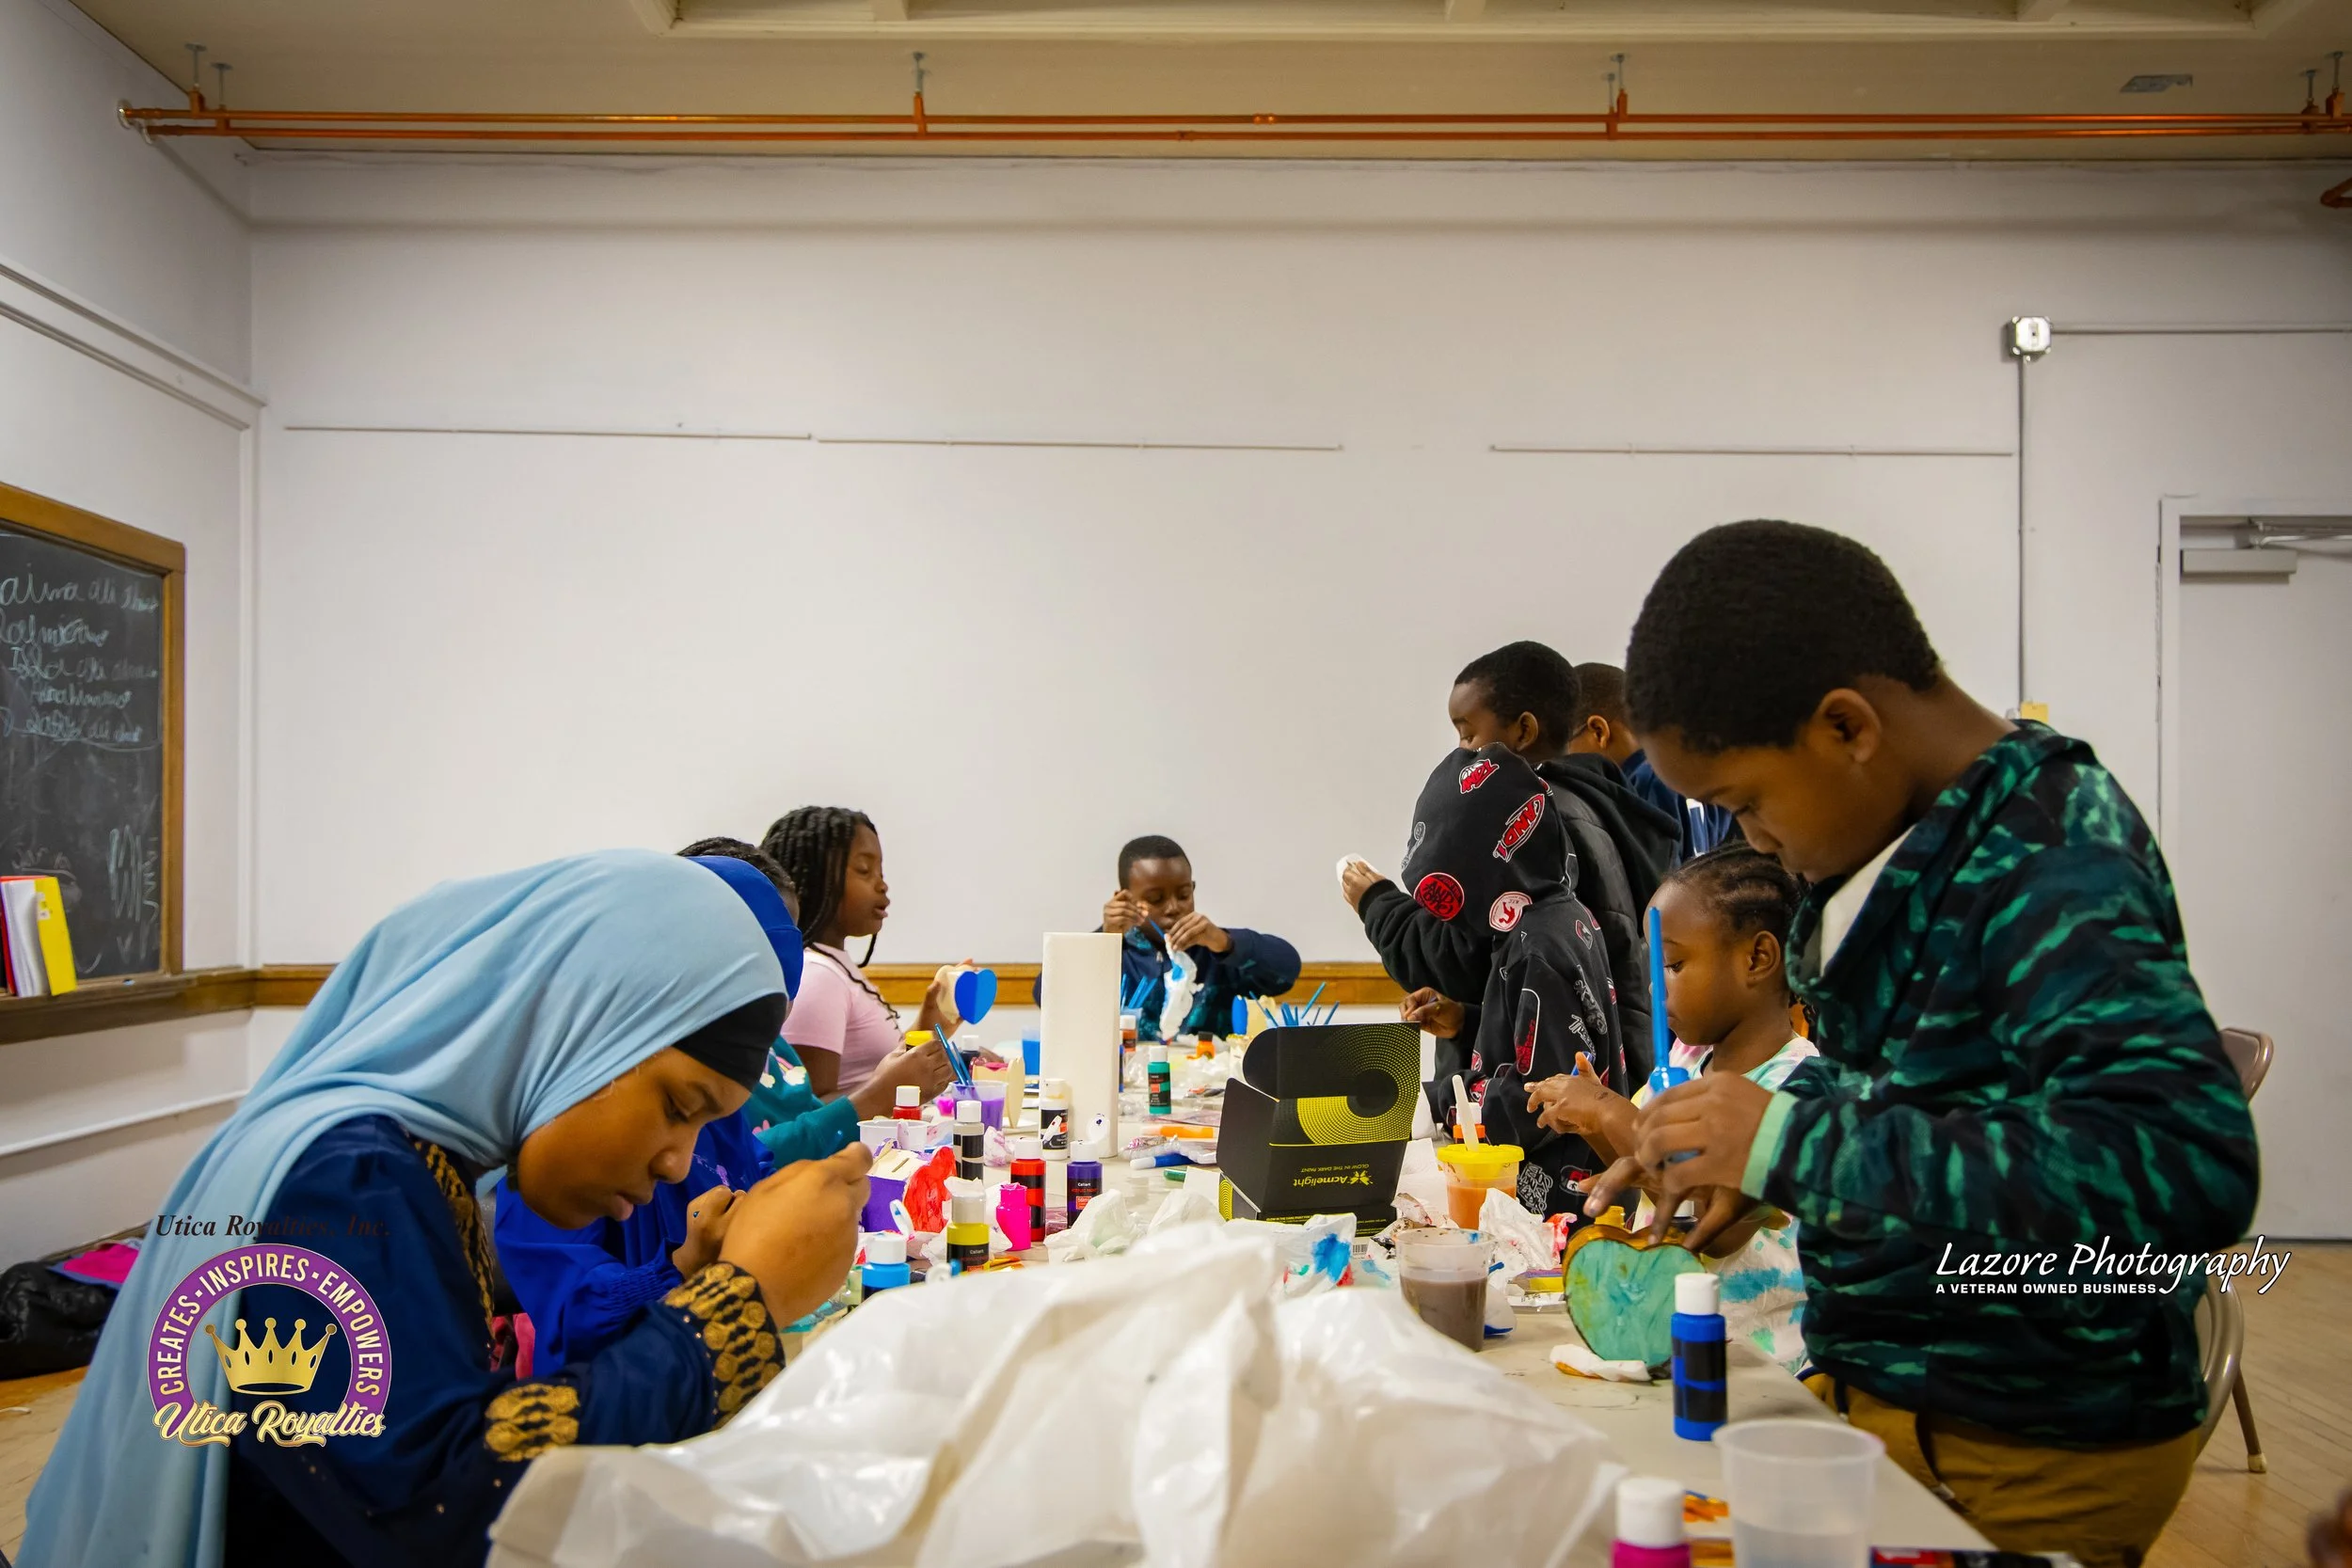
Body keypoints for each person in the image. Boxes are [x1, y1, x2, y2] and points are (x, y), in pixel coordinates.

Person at [1586, 519, 2259, 1568]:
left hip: (2020, 1435)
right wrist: (1767, 1167)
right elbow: (1942, 1106)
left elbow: (2181, 1168)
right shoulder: (1920, 839)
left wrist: (1796, 1146)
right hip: (1898, 1396)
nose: (1751, 840)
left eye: (1747, 803)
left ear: (1847, 726)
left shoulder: (2050, 851)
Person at [23, 850, 872, 1568]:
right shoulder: (348, 1179)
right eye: (680, 1106)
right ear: (584, 1028)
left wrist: (685, 1272)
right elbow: (445, 1503)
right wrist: (732, 1309)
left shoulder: (403, 1158)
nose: (677, 1162)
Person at [493, 844, 950, 1372]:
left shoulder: (712, 1110)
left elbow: (748, 1168)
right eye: (677, 1104)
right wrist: (684, 1268)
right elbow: (573, 1319)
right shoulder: (553, 1153)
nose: (680, 1161)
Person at [1524, 845, 1815, 1373]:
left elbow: (1718, 1225)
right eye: (1654, 970)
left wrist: (1610, 1110)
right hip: (1673, 1349)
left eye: (1676, 965)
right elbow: (1647, 1171)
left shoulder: (1798, 1085)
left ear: (1757, 958)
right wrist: (1592, 1124)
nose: (1657, 989)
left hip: (1761, 1366)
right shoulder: (1687, 1058)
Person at [1343, 641, 1677, 1062]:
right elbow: (1530, 967)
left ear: (1523, 731)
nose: (1463, 753)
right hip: (1616, 1069)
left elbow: (1457, 963)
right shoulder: (1606, 812)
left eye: (1468, 733)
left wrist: (1376, 902)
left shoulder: (1531, 821)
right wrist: (1466, 1019)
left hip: (1548, 1094)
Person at [1381, 744, 1630, 1216]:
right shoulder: (1558, 914)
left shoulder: (1536, 948)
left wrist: (1440, 1101)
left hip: (1558, 1201)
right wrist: (1465, 1021)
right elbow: (1544, 1036)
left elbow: (1543, 1096)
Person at [679, 837, 952, 1164]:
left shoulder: (775, 1048)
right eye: (864, 870)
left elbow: (809, 1115)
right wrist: (878, 1095)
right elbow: (737, 1163)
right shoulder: (694, 1062)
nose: (882, 885)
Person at [760, 806, 974, 1099]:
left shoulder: (835, 966)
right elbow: (809, 1110)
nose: (882, 884)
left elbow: (871, 1072)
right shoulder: (818, 975)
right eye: (864, 870)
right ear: (817, 877)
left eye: (881, 871)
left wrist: (930, 1024)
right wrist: (893, 1088)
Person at [1081, 834, 1301, 1041]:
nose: (1173, 908)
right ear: (1123, 900)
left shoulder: (1216, 951)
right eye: (1156, 899)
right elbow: (1050, 999)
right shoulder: (1117, 951)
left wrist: (1226, 943)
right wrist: (1104, 941)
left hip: (1207, 1077)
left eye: (1184, 895)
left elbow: (1287, 969)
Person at [1569, 660, 1738, 863]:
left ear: (1599, 731)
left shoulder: (1642, 783)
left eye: (1565, 744)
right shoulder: (1696, 772)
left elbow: (1652, 879)